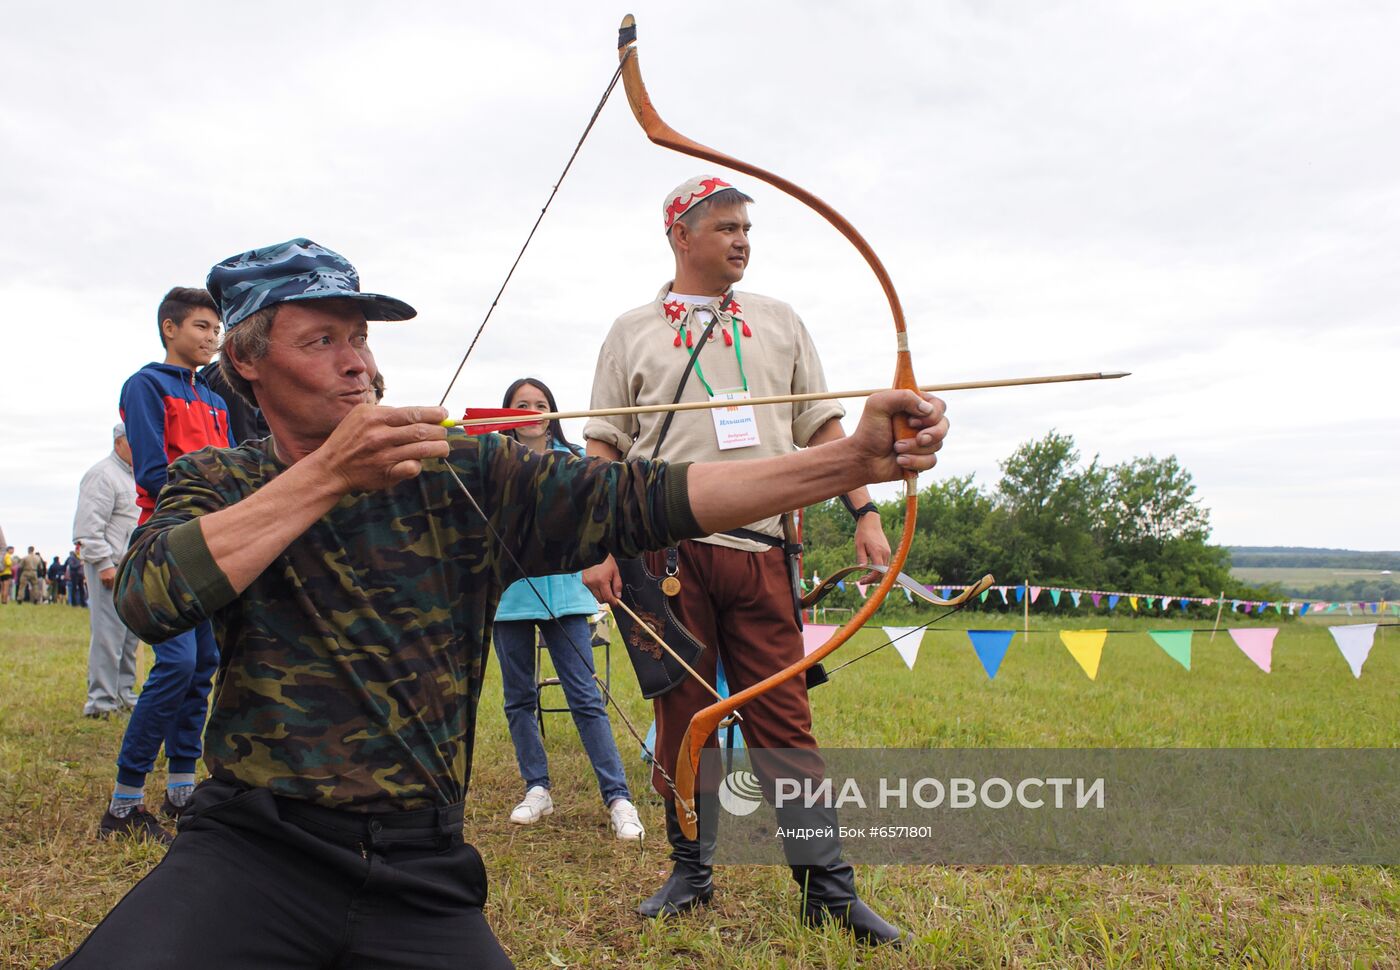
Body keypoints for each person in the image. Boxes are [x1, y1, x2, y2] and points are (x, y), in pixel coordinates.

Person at [50, 237, 948, 968]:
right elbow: (149, 598)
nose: (358, 362)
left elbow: (645, 497)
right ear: (246, 362)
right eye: (321, 340)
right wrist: (327, 474)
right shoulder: (219, 479)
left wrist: (849, 463)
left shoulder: (462, 473)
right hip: (253, 849)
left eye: (360, 337)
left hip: (418, 866)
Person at [581, 175, 902, 944]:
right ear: (680, 236)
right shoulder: (631, 330)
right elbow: (601, 449)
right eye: (725, 227)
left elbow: (828, 433)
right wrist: (596, 546)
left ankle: (827, 889)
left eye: (746, 229)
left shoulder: (780, 321)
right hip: (663, 556)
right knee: (685, 717)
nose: (741, 241)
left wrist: (866, 512)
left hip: (762, 550)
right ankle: (691, 873)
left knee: (782, 716)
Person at [102, 286, 233, 840]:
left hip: (212, 538)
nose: (211, 338)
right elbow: (152, 471)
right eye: (201, 326)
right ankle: (124, 804)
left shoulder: (219, 401)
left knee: (204, 662)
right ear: (169, 329)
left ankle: (182, 791)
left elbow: (232, 467)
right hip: (165, 536)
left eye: (216, 329)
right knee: (177, 662)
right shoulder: (145, 385)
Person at [491, 377, 643, 840]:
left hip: (567, 595)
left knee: (584, 696)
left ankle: (618, 797)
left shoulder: (576, 460)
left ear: (553, 411)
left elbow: (602, 517)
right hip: (511, 596)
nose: (532, 411)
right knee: (519, 698)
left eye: (540, 404)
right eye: (521, 404)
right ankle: (537, 788)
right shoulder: (491, 461)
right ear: (507, 412)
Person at [74, 422, 142, 718]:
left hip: (129, 568)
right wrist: (103, 564)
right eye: (134, 441)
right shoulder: (102, 475)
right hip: (110, 566)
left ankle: (124, 694)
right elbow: (89, 527)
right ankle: (101, 702)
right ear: (119, 443)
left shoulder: (135, 477)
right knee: (108, 636)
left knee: (129, 637)